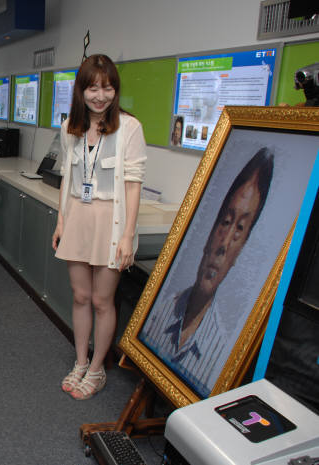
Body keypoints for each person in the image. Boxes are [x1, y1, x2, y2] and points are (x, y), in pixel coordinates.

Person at [140, 148, 273, 396]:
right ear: (210, 230)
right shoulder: (156, 314)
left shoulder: (221, 354)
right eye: (225, 222)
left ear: (242, 249)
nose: (224, 245)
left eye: (240, 228)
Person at [51, 54, 147, 400]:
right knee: (80, 296)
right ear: (82, 90)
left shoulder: (129, 128)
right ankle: (80, 361)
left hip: (111, 219)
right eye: (93, 88)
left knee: (103, 300)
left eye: (107, 88)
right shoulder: (69, 128)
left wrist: (127, 236)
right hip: (78, 214)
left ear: (114, 90)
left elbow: (134, 184)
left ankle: (96, 370)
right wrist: (61, 221)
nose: (100, 96)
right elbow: (68, 177)